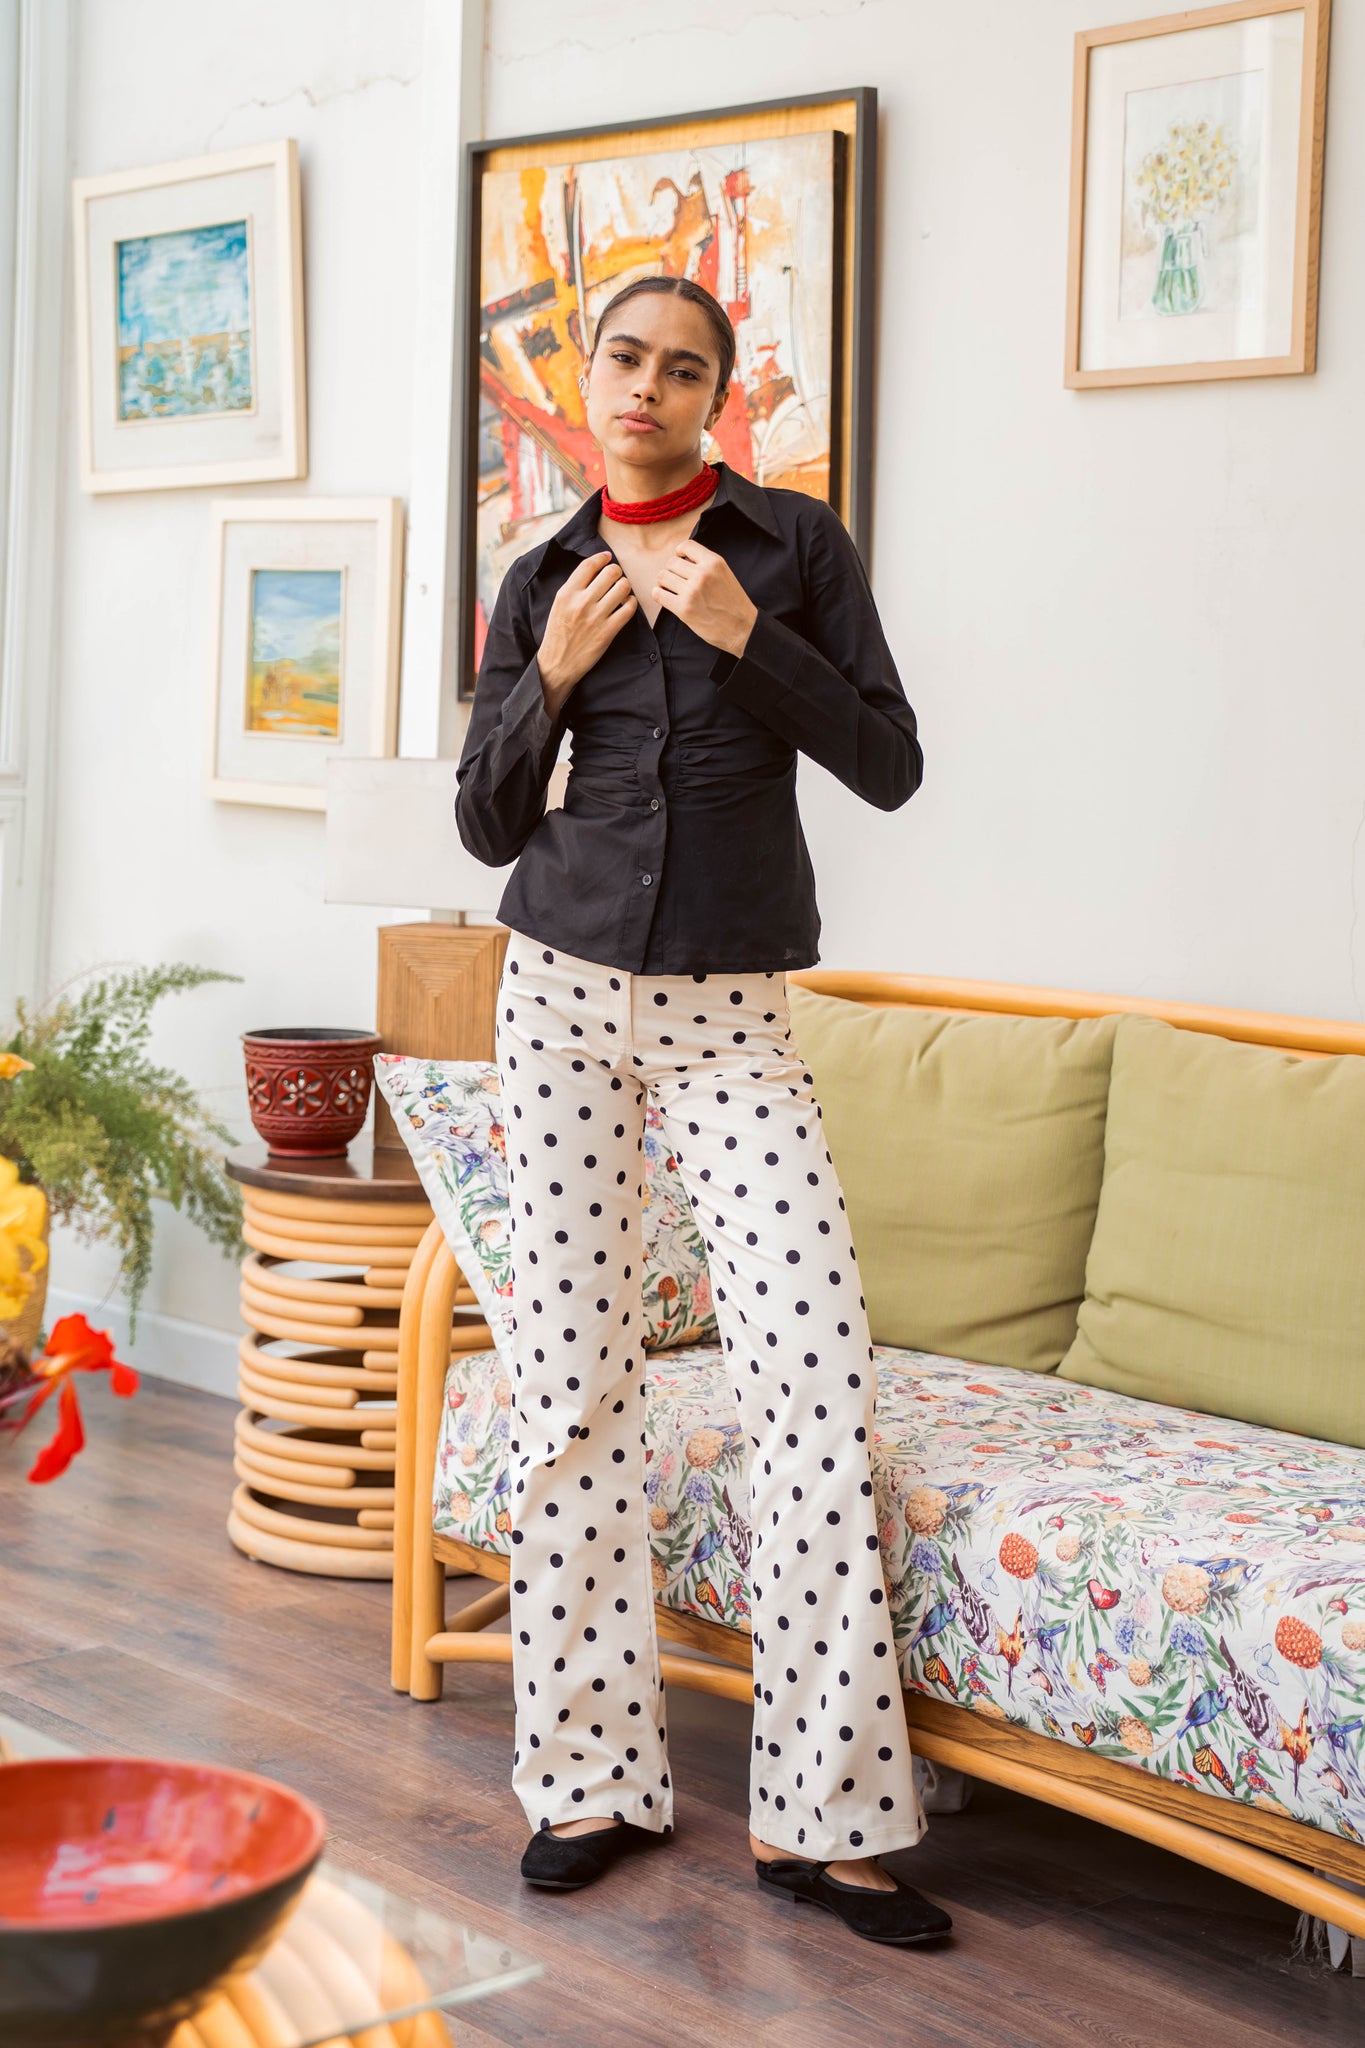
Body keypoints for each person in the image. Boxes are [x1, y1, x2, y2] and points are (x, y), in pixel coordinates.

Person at [455, 275, 949, 1949]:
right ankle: (585, 1782)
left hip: (732, 1016)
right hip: (555, 1000)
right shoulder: (540, 576)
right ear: (589, 377)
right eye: (624, 359)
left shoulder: (791, 549)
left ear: (716, 398)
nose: (647, 388)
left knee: (810, 1384)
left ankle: (827, 1822)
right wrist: (550, 674)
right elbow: (483, 823)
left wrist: (751, 638)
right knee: (569, 1395)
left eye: (683, 369)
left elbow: (889, 765)